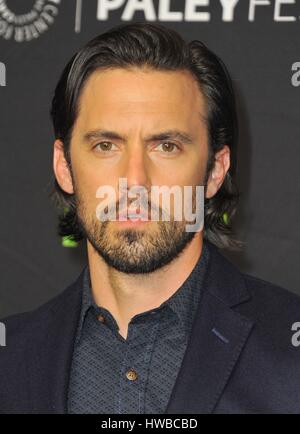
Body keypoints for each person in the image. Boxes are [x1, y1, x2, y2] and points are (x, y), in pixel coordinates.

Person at [0, 22, 299, 414]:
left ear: (214, 171)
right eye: (106, 145)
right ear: (64, 167)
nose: (134, 181)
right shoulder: (11, 361)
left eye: (167, 146)